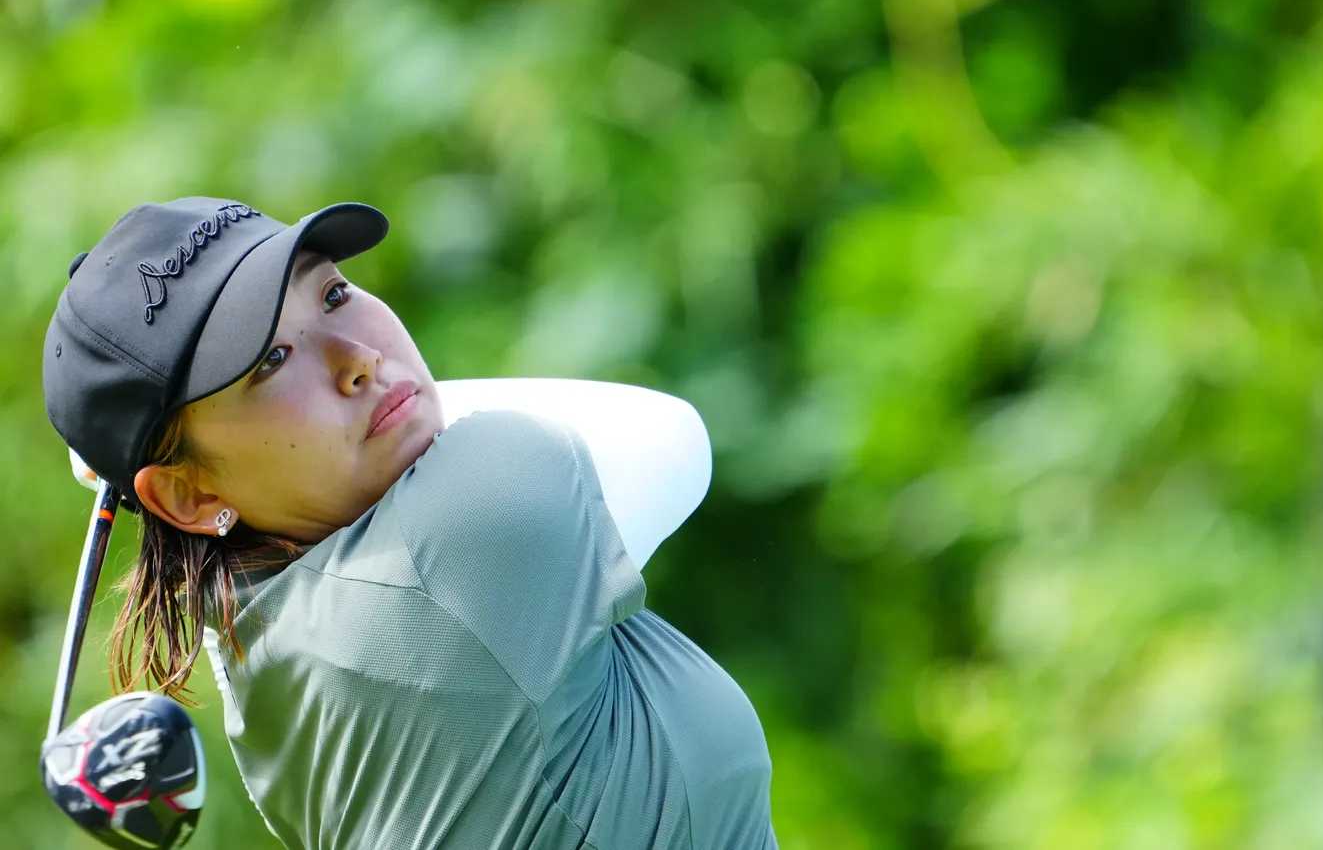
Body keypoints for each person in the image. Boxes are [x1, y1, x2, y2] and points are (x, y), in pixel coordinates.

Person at [42, 197, 778, 849]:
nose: (359, 359)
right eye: (271, 359)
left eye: (333, 294)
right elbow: (670, 437)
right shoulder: (464, 534)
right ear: (189, 499)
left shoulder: (256, 636)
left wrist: (153, 462)